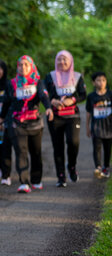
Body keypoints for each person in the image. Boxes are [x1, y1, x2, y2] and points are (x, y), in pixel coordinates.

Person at [0, 55, 53, 194]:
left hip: (35, 122)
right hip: (17, 122)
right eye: (20, 65)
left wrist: (48, 107)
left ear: (31, 67)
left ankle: (36, 180)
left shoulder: (37, 82)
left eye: (26, 65)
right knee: (21, 152)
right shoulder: (12, 83)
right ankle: (24, 182)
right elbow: (6, 102)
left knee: (36, 152)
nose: (23, 67)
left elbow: (43, 96)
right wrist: (1, 118)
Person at [44, 50, 86, 187]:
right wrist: (52, 101)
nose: (62, 62)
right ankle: (61, 176)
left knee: (73, 142)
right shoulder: (50, 77)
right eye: (59, 59)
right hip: (55, 116)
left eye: (64, 59)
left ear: (70, 61)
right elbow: (44, 94)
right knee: (58, 146)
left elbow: (83, 95)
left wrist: (72, 100)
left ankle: (72, 166)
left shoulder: (77, 76)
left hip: (72, 116)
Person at [85, 71, 112, 179]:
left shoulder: (110, 95)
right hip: (96, 127)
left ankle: (106, 167)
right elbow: (88, 112)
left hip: (109, 127)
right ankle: (98, 167)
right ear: (93, 82)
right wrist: (87, 127)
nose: (101, 83)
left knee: (107, 149)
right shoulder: (91, 97)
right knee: (97, 148)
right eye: (98, 80)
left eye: (103, 80)